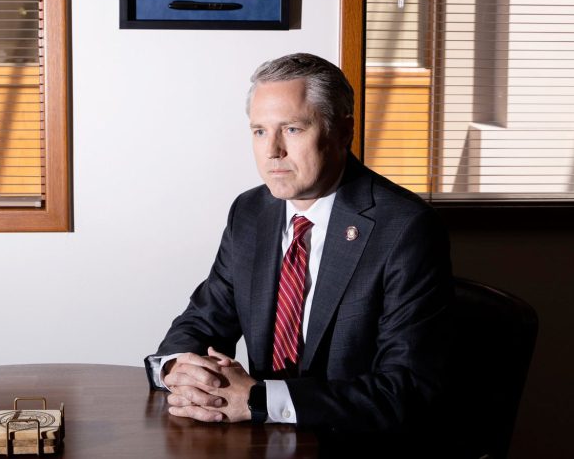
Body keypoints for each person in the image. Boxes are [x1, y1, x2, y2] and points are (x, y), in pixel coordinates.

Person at [144, 52, 452, 444]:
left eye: (291, 129)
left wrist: (259, 400)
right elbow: (203, 321)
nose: (272, 150)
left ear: (343, 132)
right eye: (259, 131)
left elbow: (405, 390)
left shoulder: (405, 228)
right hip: (261, 442)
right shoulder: (251, 212)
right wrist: (177, 368)